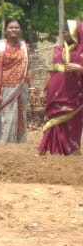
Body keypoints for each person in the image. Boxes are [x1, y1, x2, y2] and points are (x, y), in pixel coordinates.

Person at [39, 19, 83, 155]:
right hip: (55, 91)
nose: (64, 33)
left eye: (67, 30)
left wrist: (80, 68)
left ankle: (71, 149)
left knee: (72, 120)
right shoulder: (59, 49)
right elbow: (52, 70)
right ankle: (52, 149)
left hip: (74, 94)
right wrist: (43, 89)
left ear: (76, 32)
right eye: (63, 31)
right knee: (53, 119)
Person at [0, 18, 31, 144]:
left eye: (16, 28)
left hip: (21, 88)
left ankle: (18, 145)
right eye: (11, 27)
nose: (14, 30)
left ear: (20, 30)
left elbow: (28, 67)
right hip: (4, 88)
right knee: (4, 116)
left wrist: (31, 87)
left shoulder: (24, 46)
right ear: (5, 30)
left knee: (19, 115)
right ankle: (2, 144)